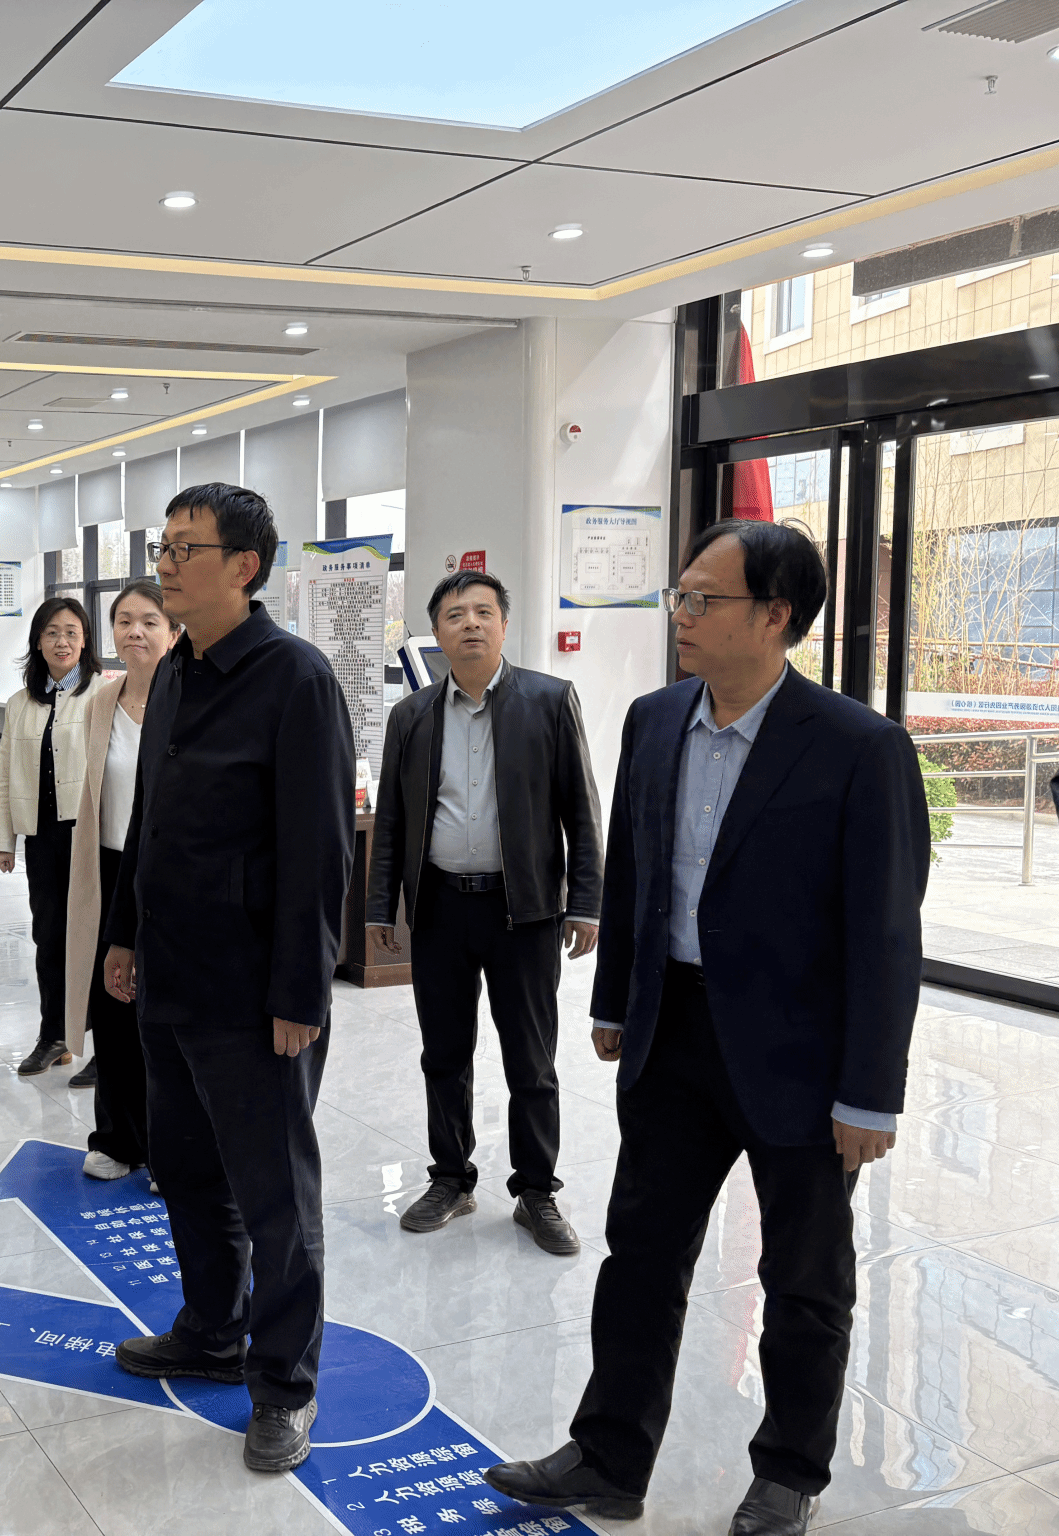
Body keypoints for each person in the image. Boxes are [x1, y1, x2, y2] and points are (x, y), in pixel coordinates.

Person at [486, 520, 929, 1536]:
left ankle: (787, 1475)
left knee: (802, 1280)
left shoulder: (858, 748)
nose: (680, 615)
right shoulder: (655, 720)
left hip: (801, 1058)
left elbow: (885, 935)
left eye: (703, 599)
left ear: (776, 616)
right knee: (639, 1256)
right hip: (672, 1036)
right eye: (677, 596)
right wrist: (614, 1002)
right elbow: (635, 874)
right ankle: (608, 1456)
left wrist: (870, 1094)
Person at [103, 483, 355, 1475]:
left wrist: (300, 993)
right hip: (171, 977)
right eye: (162, 548)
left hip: (254, 998)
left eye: (184, 549)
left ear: (243, 567)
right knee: (188, 1172)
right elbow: (149, 821)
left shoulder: (294, 678)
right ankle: (211, 1330)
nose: (165, 565)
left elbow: (319, 850)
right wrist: (123, 936)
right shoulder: (176, 668)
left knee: (274, 1195)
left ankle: (284, 1384)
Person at [369, 568, 603, 1255]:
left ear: (503, 624)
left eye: (482, 612)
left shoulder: (549, 701)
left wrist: (586, 903)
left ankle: (537, 1192)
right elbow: (392, 821)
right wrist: (380, 907)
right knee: (444, 1053)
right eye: (454, 614)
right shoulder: (411, 715)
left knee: (531, 1059)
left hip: (522, 913)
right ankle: (451, 1178)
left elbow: (582, 812)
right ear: (435, 632)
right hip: (440, 908)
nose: (469, 623)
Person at [64, 579, 176, 1179]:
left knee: (165, 1014)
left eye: (150, 621)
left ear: (173, 632)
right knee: (113, 1008)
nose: (135, 632)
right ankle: (117, 1138)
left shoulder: (189, 699)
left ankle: (170, 1150)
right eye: (124, 621)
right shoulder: (100, 703)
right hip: (109, 869)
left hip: (169, 874)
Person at [0, 596, 95, 1077]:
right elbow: (5, 776)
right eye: (52, 632)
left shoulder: (102, 695)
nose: (62, 641)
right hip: (43, 838)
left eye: (72, 632)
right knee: (49, 937)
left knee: (97, 938)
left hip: (90, 836)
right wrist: (4, 839)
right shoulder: (21, 703)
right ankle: (55, 1036)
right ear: (38, 641)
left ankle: (107, 1046)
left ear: (86, 640)